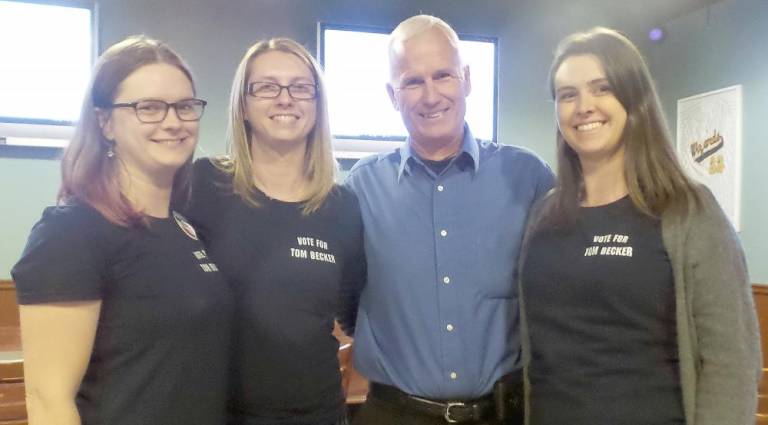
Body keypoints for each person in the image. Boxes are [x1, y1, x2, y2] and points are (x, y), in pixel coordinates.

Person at [519, 27, 761, 425]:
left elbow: (731, 360)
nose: (584, 106)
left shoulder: (687, 211)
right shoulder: (544, 216)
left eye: (602, 88)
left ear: (635, 99)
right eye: (568, 94)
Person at [11, 36, 231, 425]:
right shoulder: (71, 232)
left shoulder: (184, 227)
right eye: (148, 107)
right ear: (105, 121)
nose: (173, 121)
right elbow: (48, 402)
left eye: (185, 106)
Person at [345, 15, 554, 425]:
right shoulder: (360, 189)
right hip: (394, 414)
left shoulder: (528, 178)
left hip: (504, 413)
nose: (430, 95)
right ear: (392, 95)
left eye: (444, 75)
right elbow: (344, 299)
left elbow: (561, 291)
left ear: (468, 80)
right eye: (412, 81)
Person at [186, 38, 365, 425]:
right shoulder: (200, 186)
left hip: (315, 414)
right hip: (215, 412)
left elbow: (352, 311)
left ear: (317, 106)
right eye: (267, 86)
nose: (286, 98)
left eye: (301, 87)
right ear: (244, 105)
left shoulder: (342, 206)